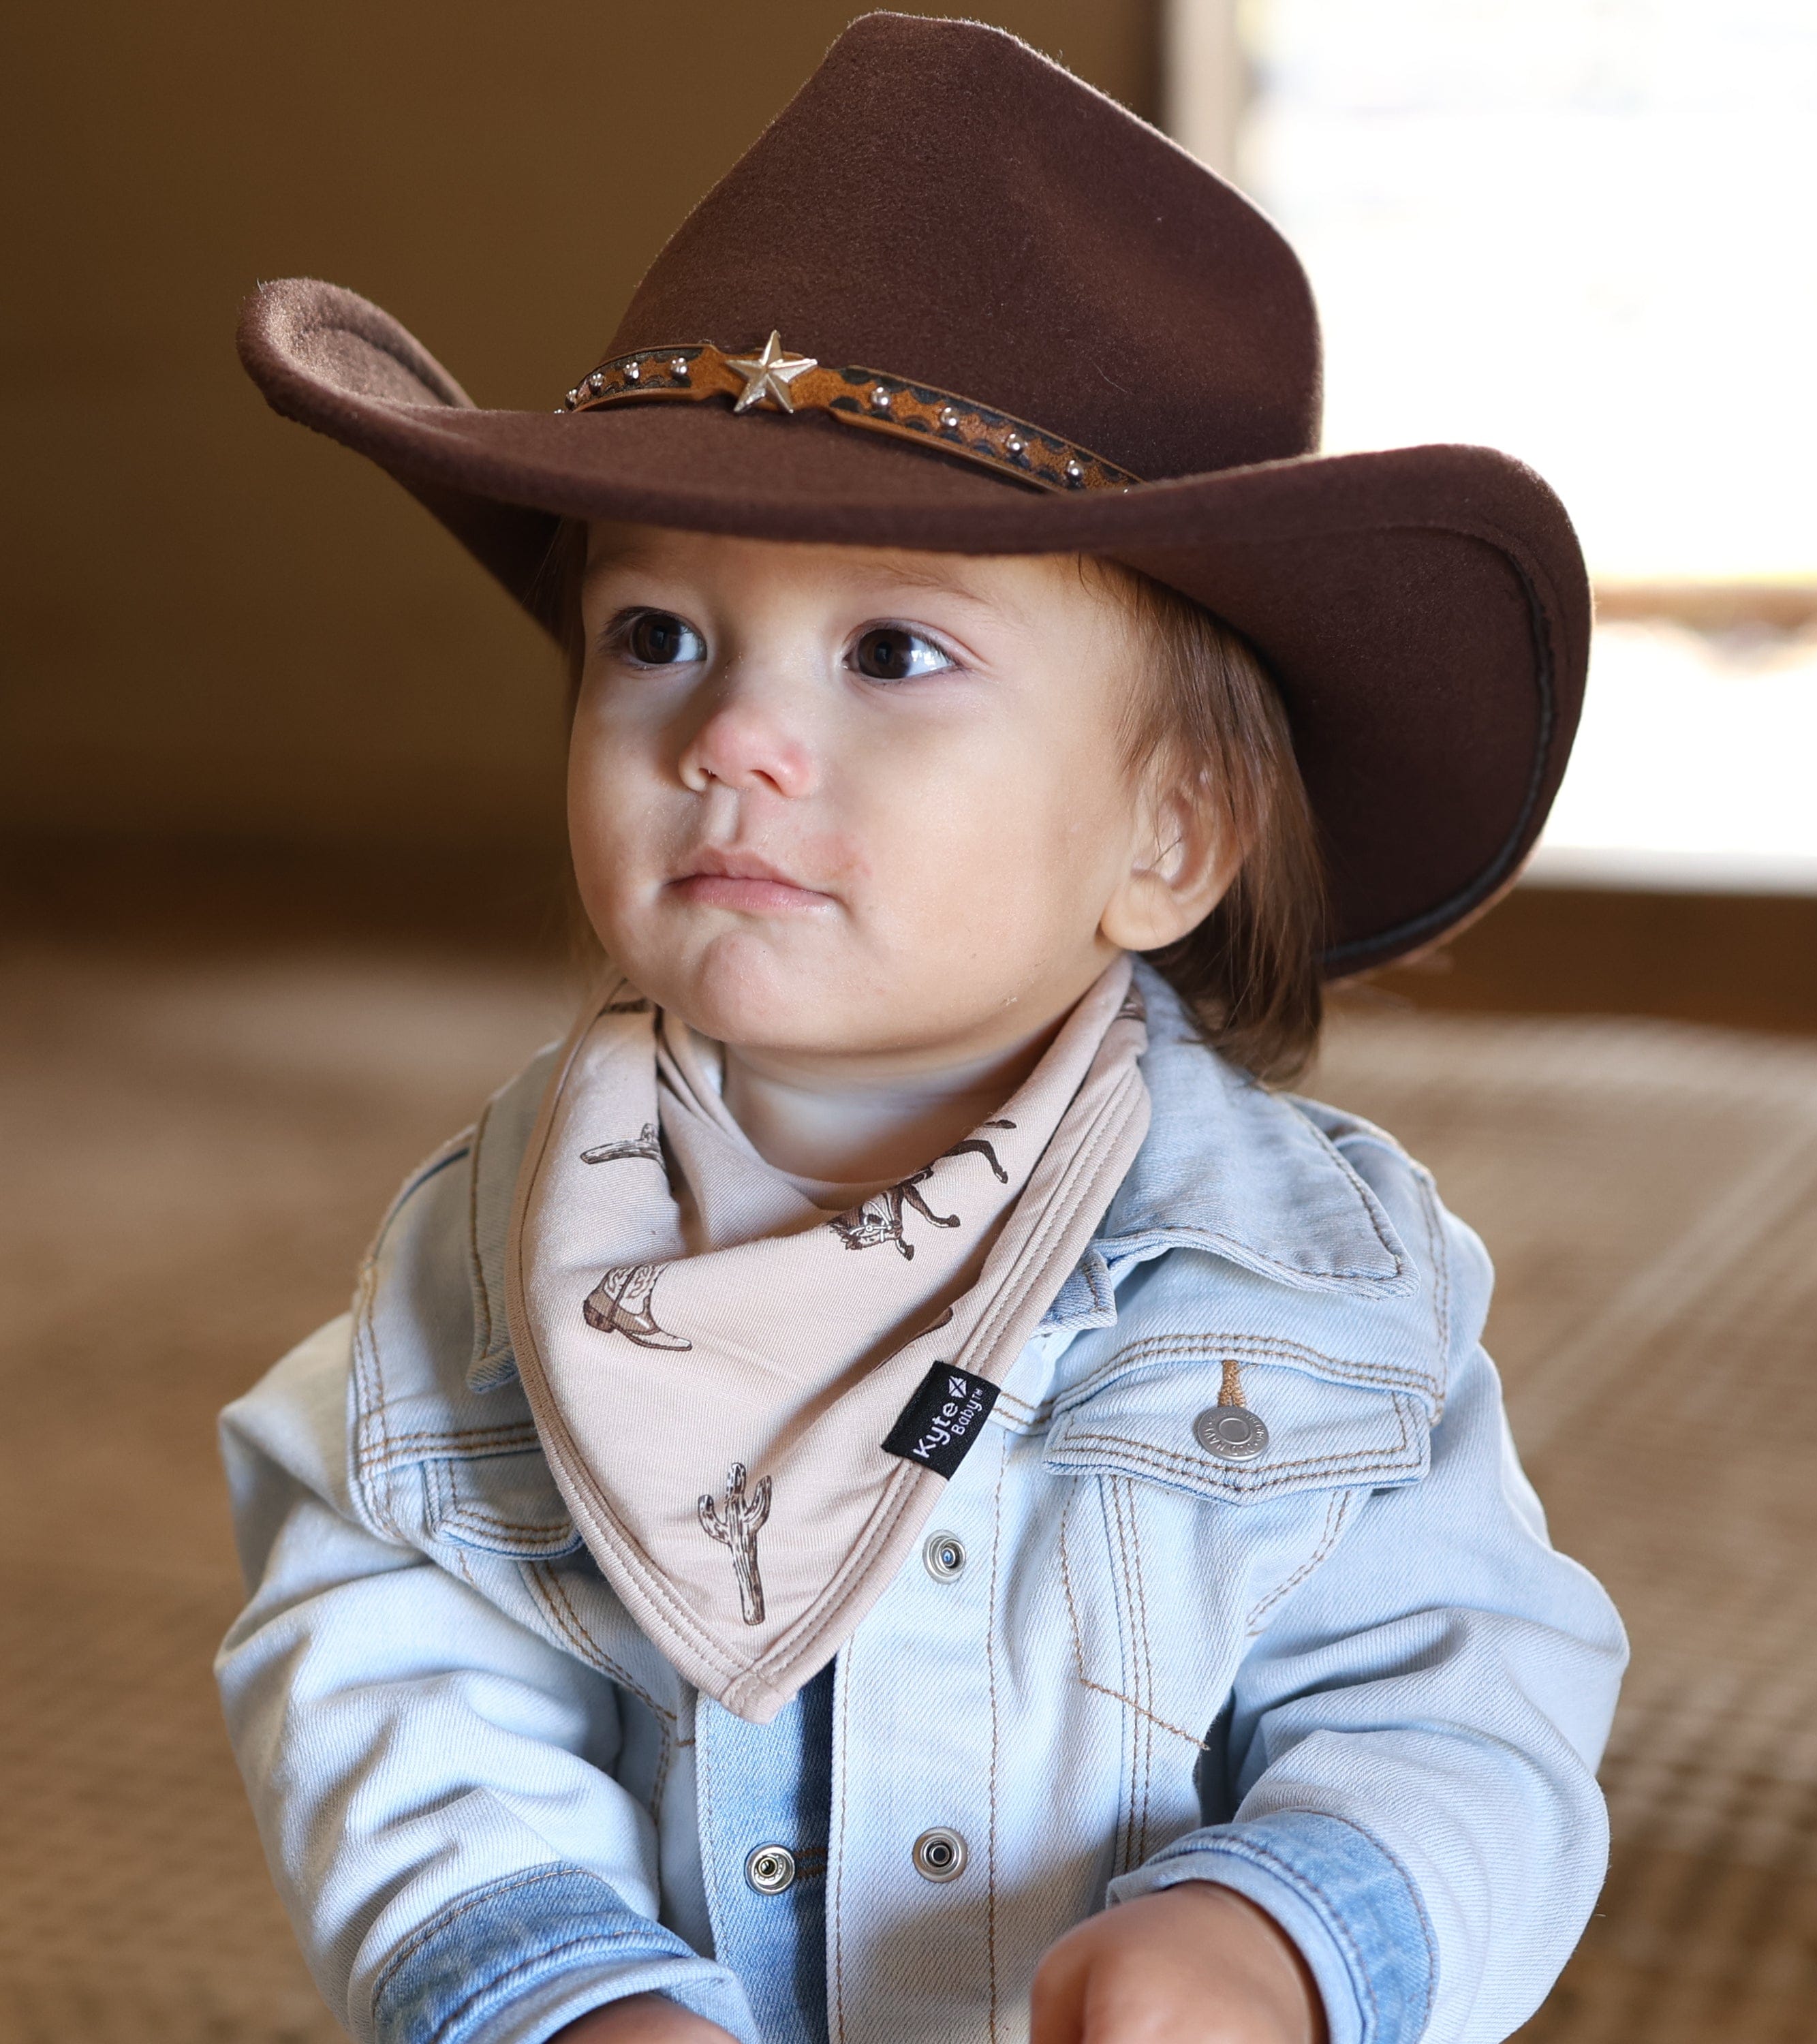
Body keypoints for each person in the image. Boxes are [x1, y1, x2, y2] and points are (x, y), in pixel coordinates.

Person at [215, 16, 1626, 2044]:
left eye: (895, 649)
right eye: (657, 636)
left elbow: (1471, 1686)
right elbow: (383, 1660)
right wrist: (548, 1982)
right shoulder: (489, 1261)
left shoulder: (1302, 1282)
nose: (732, 738)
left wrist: (1288, 1932)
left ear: (1171, 831)